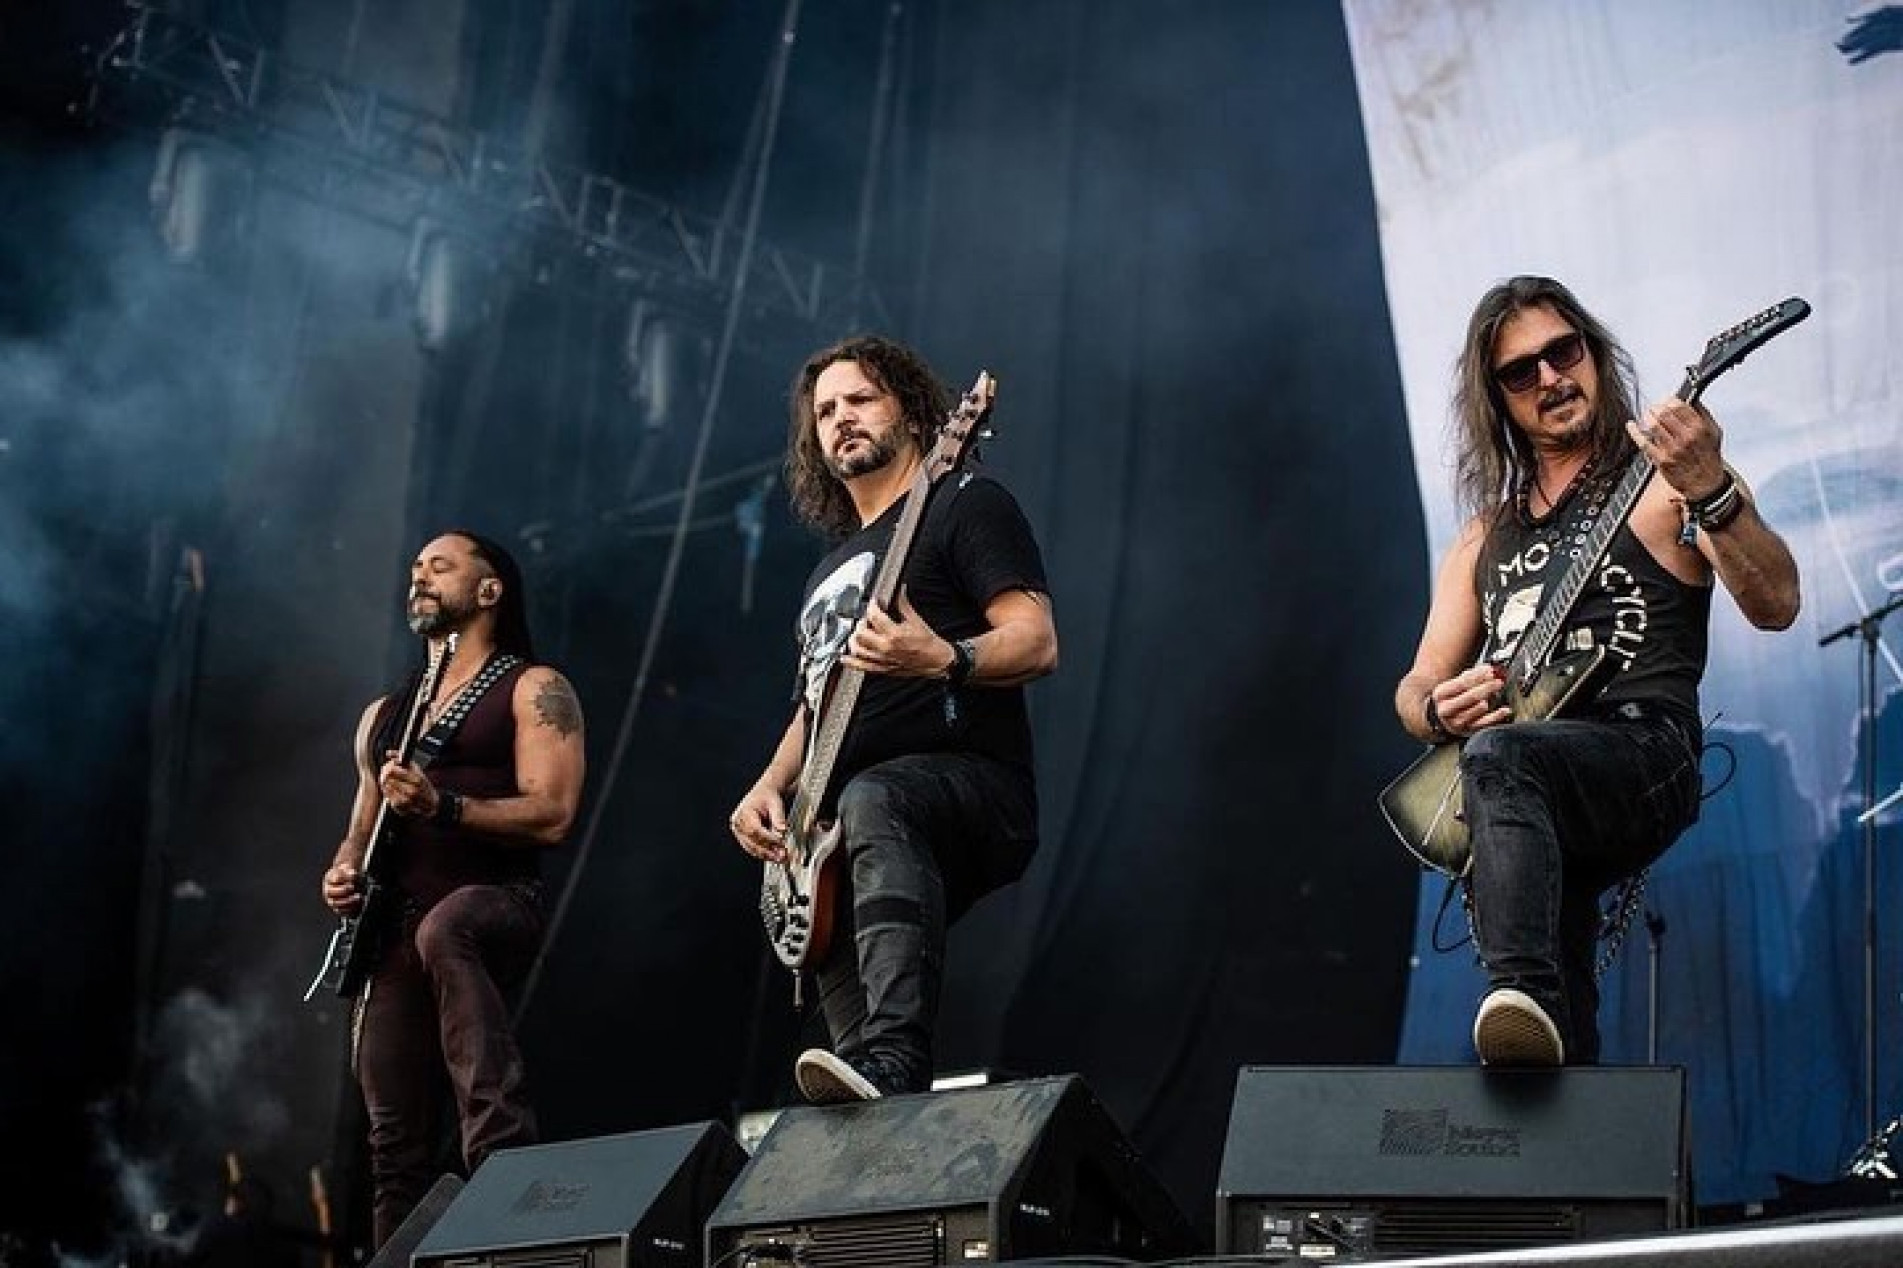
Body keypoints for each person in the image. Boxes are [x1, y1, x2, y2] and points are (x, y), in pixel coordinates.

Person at [1394, 276, 1800, 1067]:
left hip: (1644, 753)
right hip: (1530, 791)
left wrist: (1710, 488)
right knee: (1557, 1010)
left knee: (1501, 757)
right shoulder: (1483, 536)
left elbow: (1776, 602)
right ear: (1498, 400)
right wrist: (1439, 710)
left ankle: (1522, 999)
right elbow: (1412, 689)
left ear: (1592, 352)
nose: (1549, 378)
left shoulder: (1662, 483)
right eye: (1521, 372)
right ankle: (1554, 1092)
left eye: (1561, 352)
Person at [729, 335, 1058, 1102]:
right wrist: (768, 787)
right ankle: (884, 1119)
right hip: (832, 835)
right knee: (858, 1088)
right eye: (824, 410)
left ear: (913, 414)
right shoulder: (827, 570)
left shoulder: (963, 503)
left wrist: (944, 657)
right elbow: (815, 701)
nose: (840, 418)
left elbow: (1036, 640)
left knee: (876, 794)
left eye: (860, 399)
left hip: (965, 786)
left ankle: (897, 1056)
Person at [321, 530, 585, 1244]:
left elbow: (554, 813)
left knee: (449, 927)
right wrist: (344, 871)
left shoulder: (534, 688)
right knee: (392, 1144)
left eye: (440, 567)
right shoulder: (385, 715)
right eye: (415, 569)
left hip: (494, 901)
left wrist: (446, 807)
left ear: (490, 589)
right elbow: (361, 822)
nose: (421, 578)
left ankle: (503, 1160)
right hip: (395, 928)